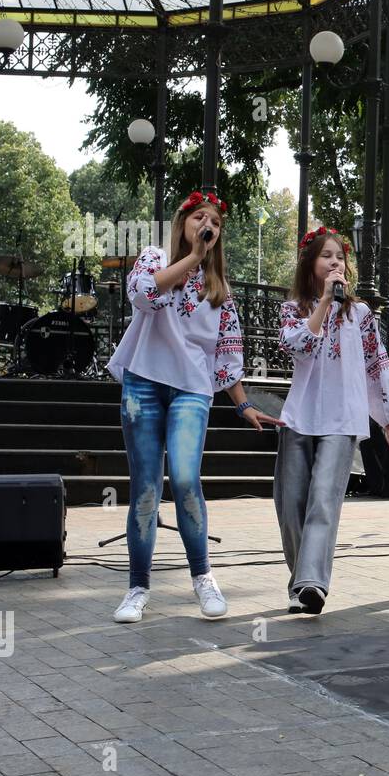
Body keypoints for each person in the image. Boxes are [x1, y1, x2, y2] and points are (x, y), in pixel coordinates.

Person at [107, 190, 283, 623]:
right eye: (200, 218)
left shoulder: (219, 288)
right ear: (183, 222)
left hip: (191, 391)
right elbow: (144, 295)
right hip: (143, 383)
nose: (208, 226)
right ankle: (137, 587)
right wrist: (192, 259)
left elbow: (225, 356)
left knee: (185, 478)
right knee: (146, 485)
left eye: (215, 223)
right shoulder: (154, 258)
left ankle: (203, 577)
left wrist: (243, 406)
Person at [275, 226, 389, 615]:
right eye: (326, 256)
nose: (335, 263)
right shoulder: (293, 308)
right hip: (301, 414)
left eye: (340, 257)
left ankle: (313, 582)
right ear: (310, 263)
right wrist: (322, 306)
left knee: (323, 501)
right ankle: (302, 579)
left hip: (342, 419)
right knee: (290, 501)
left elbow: (376, 363)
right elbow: (297, 346)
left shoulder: (360, 314)